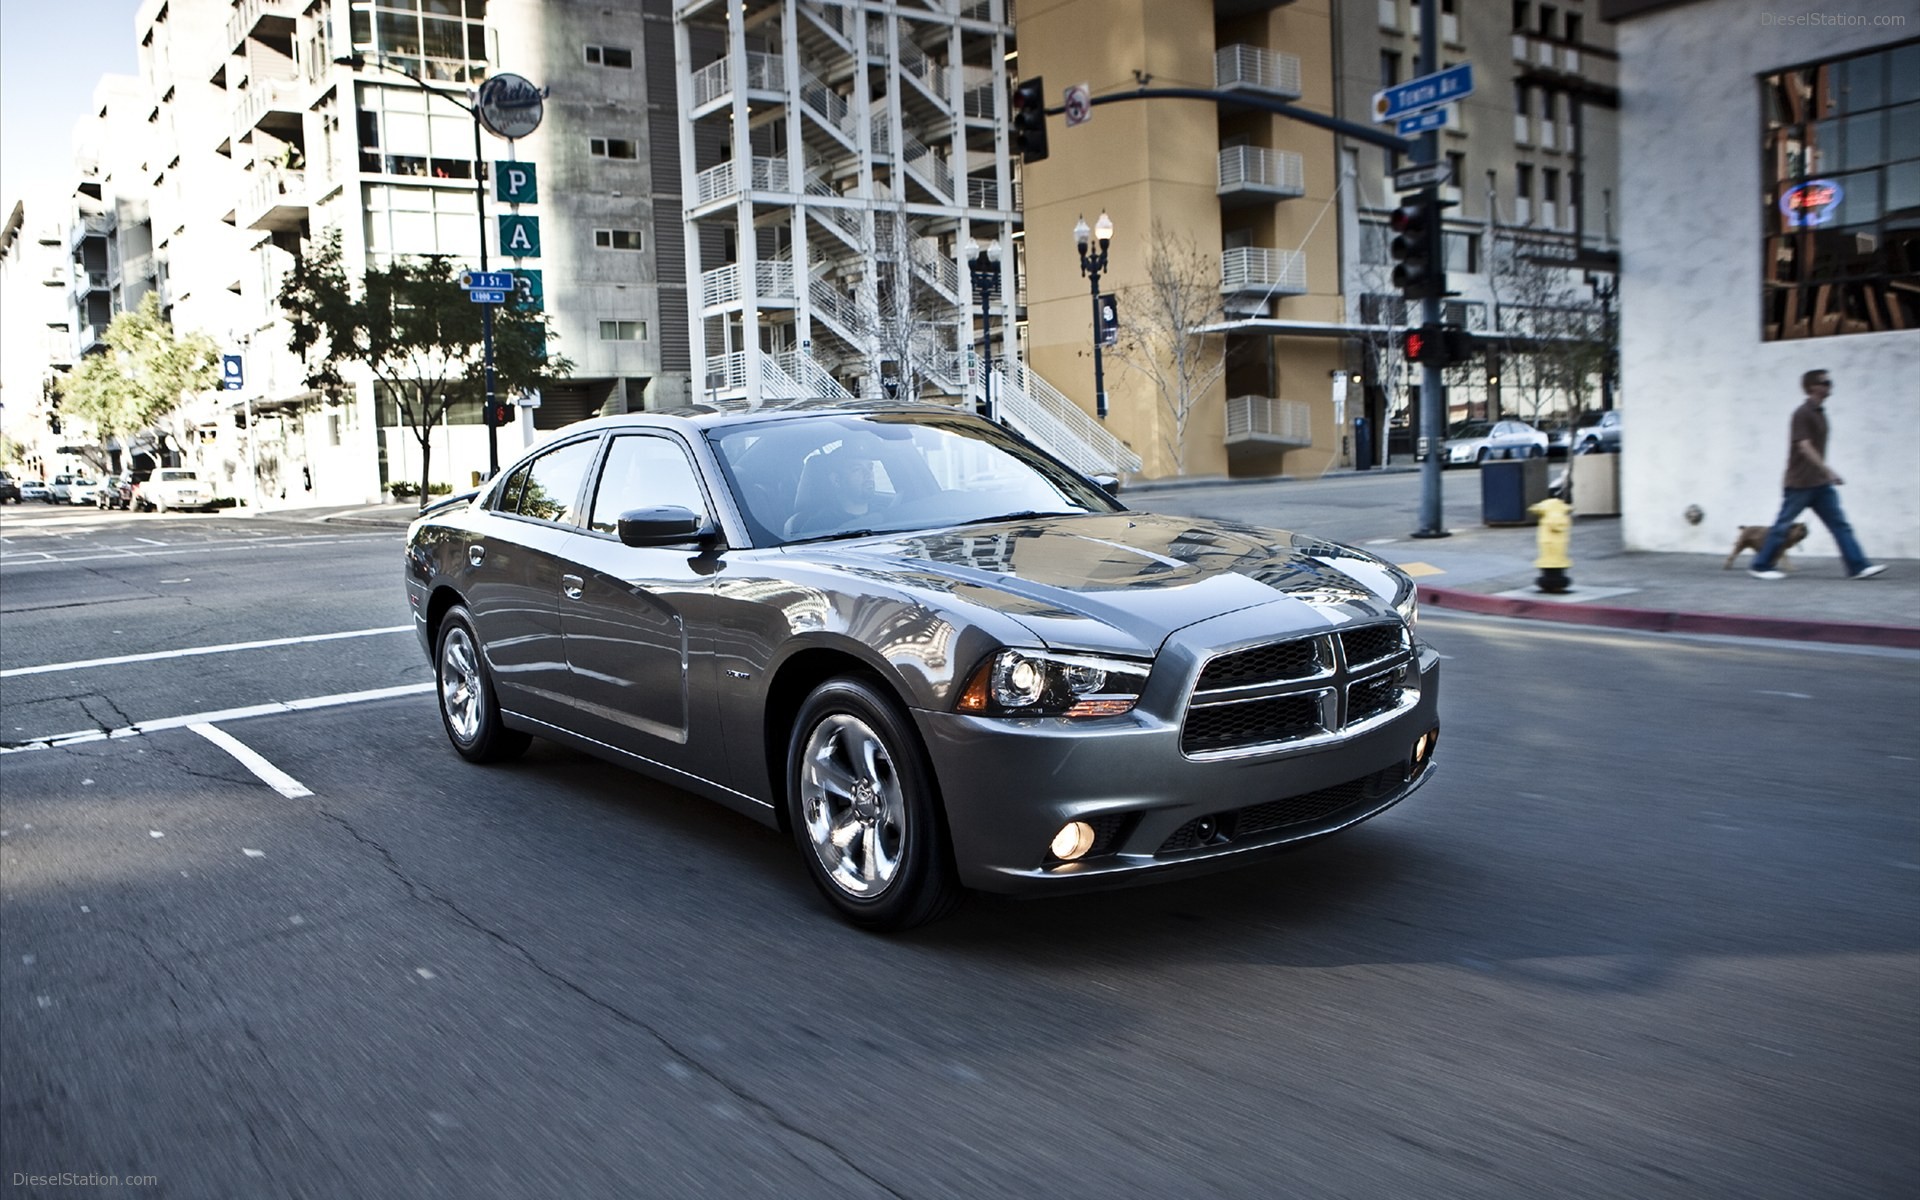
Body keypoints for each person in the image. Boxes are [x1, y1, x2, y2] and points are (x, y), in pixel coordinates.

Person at [1750, 369, 1885, 581]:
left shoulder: (1820, 413)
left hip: (1819, 484)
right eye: (1826, 382)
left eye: (1829, 382)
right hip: (1800, 483)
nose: (1830, 386)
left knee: (1840, 525)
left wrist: (1824, 475)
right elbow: (1805, 446)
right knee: (1782, 526)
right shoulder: (1802, 413)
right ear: (1812, 387)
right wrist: (1828, 470)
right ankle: (1761, 565)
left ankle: (1857, 567)